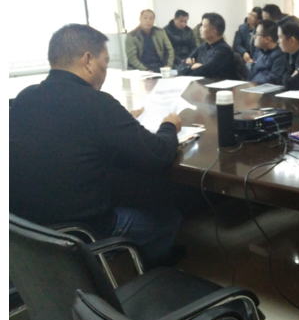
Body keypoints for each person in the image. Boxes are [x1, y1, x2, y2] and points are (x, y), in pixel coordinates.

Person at [10, 24, 183, 268]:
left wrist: (123, 122)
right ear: (88, 60)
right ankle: (148, 272)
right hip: (82, 233)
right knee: (169, 218)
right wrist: (169, 126)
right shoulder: (98, 104)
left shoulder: (24, 97)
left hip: (24, 229)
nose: (105, 70)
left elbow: (67, 131)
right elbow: (158, 154)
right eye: (105, 62)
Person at [180, 13, 237, 79]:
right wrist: (192, 66)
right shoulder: (204, 46)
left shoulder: (224, 50)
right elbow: (180, 68)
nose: (200, 29)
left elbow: (203, 71)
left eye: (203, 26)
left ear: (213, 32)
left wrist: (188, 69)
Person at [248, 19, 287, 85]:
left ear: (268, 39)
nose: (254, 37)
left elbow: (274, 79)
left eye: (257, 34)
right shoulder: (261, 51)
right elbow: (252, 74)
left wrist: (254, 84)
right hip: (254, 87)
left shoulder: (280, 55)